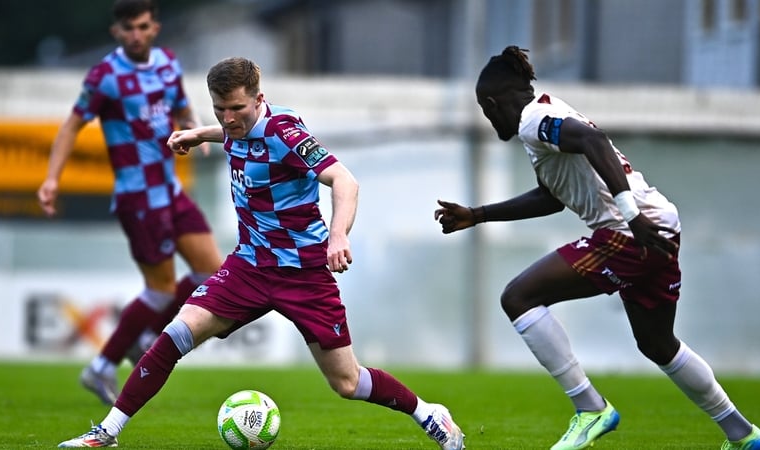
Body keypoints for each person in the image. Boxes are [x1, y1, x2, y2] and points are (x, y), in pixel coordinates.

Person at [57, 56, 466, 450]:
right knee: (176, 333)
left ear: (259, 99)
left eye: (236, 108)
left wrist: (338, 235)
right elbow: (234, 132)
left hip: (304, 273)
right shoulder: (233, 127)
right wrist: (200, 134)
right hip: (249, 266)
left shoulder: (285, 133)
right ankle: (107, 431)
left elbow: (345, 181)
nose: (228, 118)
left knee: (347, 383)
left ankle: (429, 413)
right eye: (219, 109)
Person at [434, 46, 760, 450]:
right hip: (660, 227)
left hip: (630, 232)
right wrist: (478, 214)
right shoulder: (547, 114)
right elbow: (551, 197)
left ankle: (590, 408)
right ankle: (743, 434)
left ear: (491, 103)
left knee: (518, 297)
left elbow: (593, 140)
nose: (489, 121)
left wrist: (631, 216)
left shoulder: (533, 121)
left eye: (485, 111)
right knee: (658, 344)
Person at [37, 0, 222, 406]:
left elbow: (181, 108)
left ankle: (145, 333)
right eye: (128, 28)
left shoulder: (168, 63)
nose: (136, 34)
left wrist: (194, 128)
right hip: (139, 198)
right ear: (116, 32)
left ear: (155, 27)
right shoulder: (105, 77)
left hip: (171, 190)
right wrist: (52, 178)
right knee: (161, 289)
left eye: (142, 26)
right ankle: (101, 366)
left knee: (213, 273)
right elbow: (71, 125)